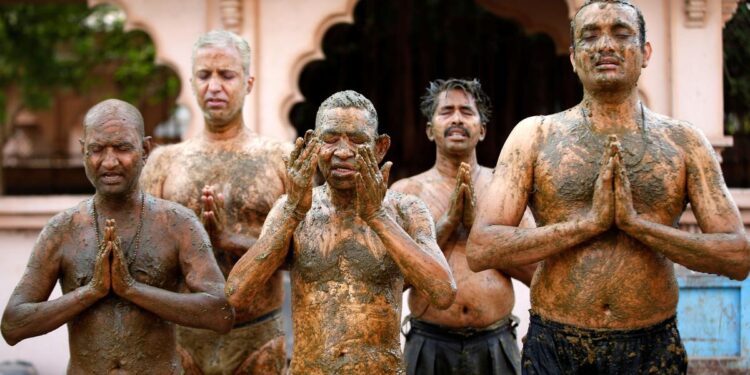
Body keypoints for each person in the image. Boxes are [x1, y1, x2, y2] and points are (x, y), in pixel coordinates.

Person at [467, 1, 750, 374]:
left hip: (652, 345)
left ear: (645, 52)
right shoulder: (534, 136)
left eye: (621, 34)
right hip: (556, 345)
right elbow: (482, 247)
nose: (605, 46)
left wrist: (637, 225)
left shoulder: (684, 142)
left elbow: (736, 256)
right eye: (590, 36)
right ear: (572, 57)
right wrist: (587, 225)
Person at [226, 90, 457, 374]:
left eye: (358, 140)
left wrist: (377, 216)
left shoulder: (407, 210)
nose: (343, 152)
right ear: (312, 143)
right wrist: (293, 213)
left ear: (380, 147)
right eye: (331, 139)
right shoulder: (292, 210)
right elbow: (236, 294)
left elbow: (443, 292)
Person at [1, 99, 233, 374]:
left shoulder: (177, 223)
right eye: (97, 150)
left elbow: (221, 314)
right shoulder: (62, 229)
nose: (109, 162)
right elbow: (13, 325)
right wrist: (91, 292)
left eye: (123, 148)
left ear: (145, 149)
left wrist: (132, 289)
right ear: (83, 152)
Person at [139, 30, 291, 374]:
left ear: (248, 82)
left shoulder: (281, 158)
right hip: (182, 338)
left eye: (227, 75)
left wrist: (231, 240)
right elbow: (143, 256)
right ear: (192, 83)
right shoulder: (165, 162)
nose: (215, 86)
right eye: (205, 75)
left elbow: (304, 256)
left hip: (260, 336)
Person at [391, 78, 535, 375]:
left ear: (481, 129)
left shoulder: (505, 189)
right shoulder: (407, 192)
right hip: (428, 343)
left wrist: (477, 233)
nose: (457, 118)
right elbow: (392, 283)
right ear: (430, 130)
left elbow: (537, 274)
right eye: (446, 111)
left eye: (466, 111)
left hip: (495, 341)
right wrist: (445, 226)